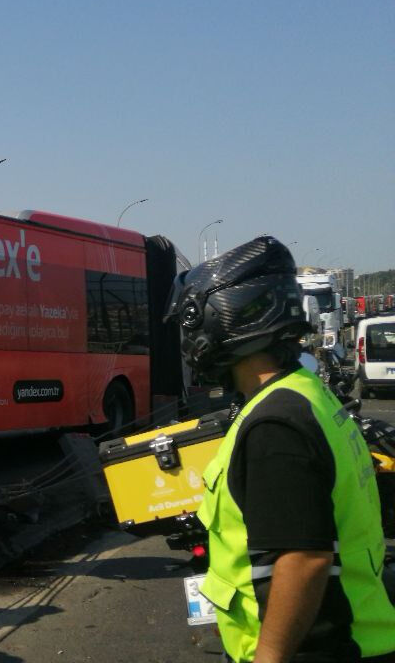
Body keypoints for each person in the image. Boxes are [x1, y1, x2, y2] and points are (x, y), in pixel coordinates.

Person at [165, 236, 395, 663]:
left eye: (191, 322)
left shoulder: (274, 424)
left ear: (222, 321)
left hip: (320, 648)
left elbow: (303, 560)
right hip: (357, 634)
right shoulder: (306, 393)